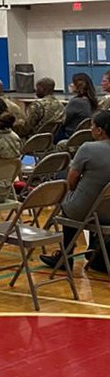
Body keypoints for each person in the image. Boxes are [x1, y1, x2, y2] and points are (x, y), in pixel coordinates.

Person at [40, 110, 110, 273]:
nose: (90, 129)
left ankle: (65, 255)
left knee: (69, 201)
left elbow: (71, 183)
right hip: (107, 209)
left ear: (99, 130)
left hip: (88, 211)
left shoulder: (88, 148)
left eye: (92, 126)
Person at [59, 72, 98, 140]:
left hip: (70, 135)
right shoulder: (91, 100)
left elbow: (63, 120)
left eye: (72, 83)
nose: (70, 85)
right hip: (83, 135)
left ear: (78, 86)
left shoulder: (76, 102)